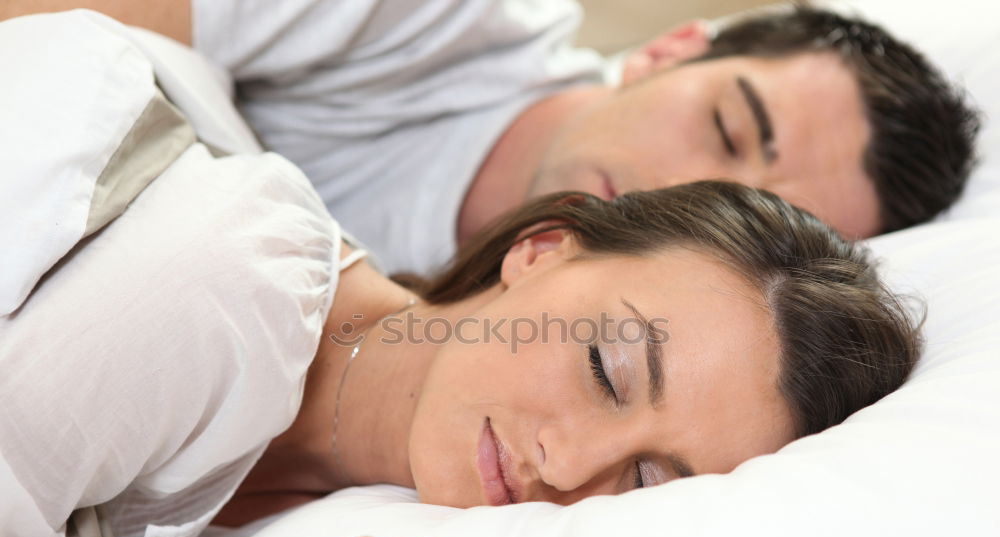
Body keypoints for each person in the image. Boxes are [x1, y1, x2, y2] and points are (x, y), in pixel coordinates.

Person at [0, 9, 921, 537]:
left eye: (645, 478)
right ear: (541, 251)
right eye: (606, 369)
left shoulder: (342, 496)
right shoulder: (230, 288)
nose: (569, 468)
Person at [0, 1, 977, 273]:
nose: (682, 189)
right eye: (724, 126)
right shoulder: (437, 18)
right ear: (666, 51)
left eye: (740, 216)